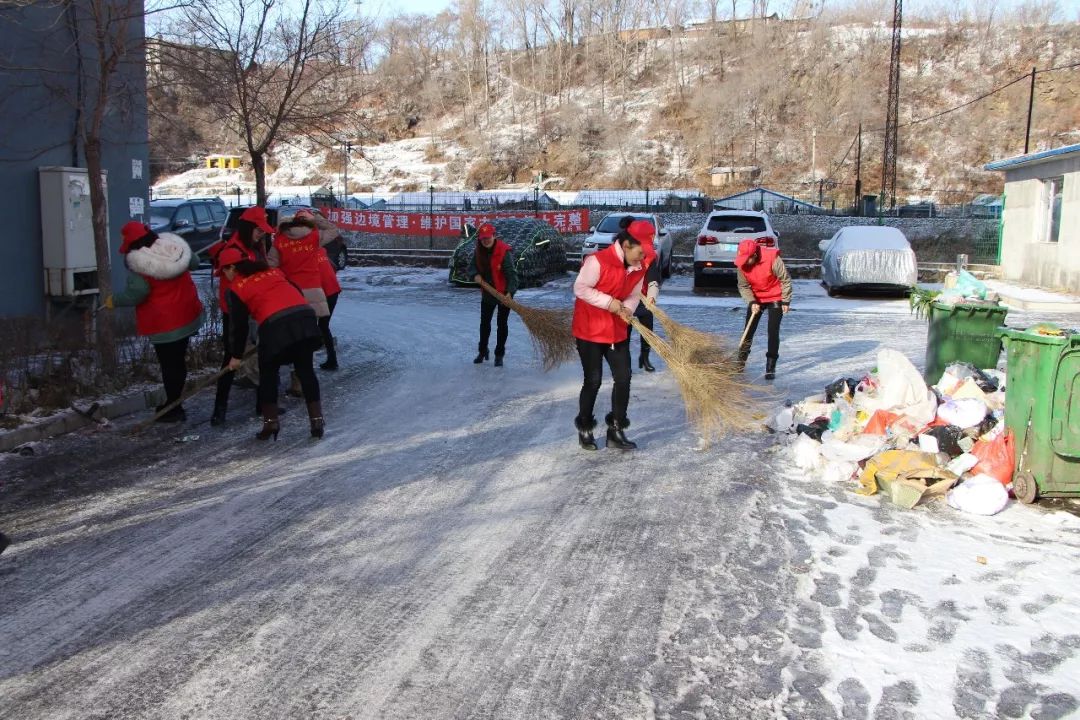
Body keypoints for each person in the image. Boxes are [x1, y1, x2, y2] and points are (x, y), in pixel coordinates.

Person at [217, 247, 325, 440]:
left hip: (276, 325)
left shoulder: (237, 288)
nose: (225, 276)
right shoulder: (273, 271)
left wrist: (236, 356)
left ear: (232, 267)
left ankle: (271, 423)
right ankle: (317, 421)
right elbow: (296, 290)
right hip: (304, 318)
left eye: (224, 271)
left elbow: (239, 326)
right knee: (305, 370)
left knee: (267, 373)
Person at [104, 222, 204, 423]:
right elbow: (194, 261)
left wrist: (113, 300)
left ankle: (173, 406)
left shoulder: (141, 264)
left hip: (164, 323)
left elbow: (137, 294)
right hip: (186, 313)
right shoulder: (171, 247)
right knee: (178, 361)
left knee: (169, 364)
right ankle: (175, 403)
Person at [571, 230, 653, 451]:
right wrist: (609, 303)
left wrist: (627, 308)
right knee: (593, 380)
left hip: (617, 330)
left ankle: (615, 430)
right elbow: (580, 288)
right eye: (639, 253)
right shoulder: (597, 261)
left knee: (624, 377)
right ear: (626, 245)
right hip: (589, 328)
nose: (642, 258)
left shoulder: (639, 267)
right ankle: (585, 428)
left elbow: (635, 294)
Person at [207, 206, 275, 426]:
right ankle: (220, 409)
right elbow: (232, 288)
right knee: (231, 359)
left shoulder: (255, 247)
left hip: (256, 310)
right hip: (235, 314)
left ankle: (262, 404)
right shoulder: (233, 252)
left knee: (263, 356)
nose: (262, 233)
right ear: (247, 228)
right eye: (258, 230)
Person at [734, 238, 792, 380]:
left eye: (747, 259)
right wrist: (752, 301)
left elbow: (785, 280)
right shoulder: (742, 263)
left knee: (772, 331)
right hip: (756, 298)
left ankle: (770, 368)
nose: (744, 262)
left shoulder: (772, 258)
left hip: (775, 296)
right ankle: (740, 364)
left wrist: (785, 301)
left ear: (754, 256)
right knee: (748, 330)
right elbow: (743, 286)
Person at [467, 222, 518, 367]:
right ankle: (483, 351)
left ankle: (499, 354)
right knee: (484, 324)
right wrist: (474, 275)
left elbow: (512, 275)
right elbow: (471, 268)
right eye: (483, 239)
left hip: (504, 293)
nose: (486, 241)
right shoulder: (478, 251)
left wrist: (509, 293)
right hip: (488, 293)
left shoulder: (503, 251)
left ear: (494, 236)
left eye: (488, 238)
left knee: (502, 324)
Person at [622, 219, 663, 372]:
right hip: (626, 299)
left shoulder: (651, 256)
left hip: (644, 299)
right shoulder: (622, 253)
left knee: (648, 331)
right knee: (624, 332)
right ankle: (624, 363)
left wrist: (652, 297)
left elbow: (653, 279)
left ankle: (644, 358)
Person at [316, 246, 342, 370]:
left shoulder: (306, 255)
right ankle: (332, 359)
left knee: (320, 325)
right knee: (323, 325)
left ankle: (331, 359)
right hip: (333, 290)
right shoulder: (321, 250)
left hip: (325, 292)